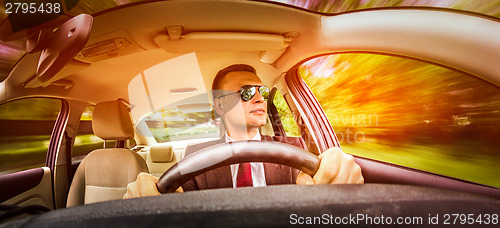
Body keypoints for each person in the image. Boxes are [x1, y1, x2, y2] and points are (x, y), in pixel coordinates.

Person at [124, 64, 363, 198]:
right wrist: (148, 199)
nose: (259, 98)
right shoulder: (194, 155)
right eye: (246, 92)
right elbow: (179, 207)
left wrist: (338, 170)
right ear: (220, 105)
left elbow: (322, 181)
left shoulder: (294, 149)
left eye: (263, 91)